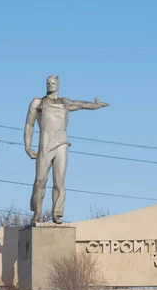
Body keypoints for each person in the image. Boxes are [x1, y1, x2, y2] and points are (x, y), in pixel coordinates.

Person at [24, 75, 109, 224]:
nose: (50, 85)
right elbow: (29, 125)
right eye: (48, 83)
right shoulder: (38, 102)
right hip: (45, 144)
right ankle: (37, 212)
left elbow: (82, 104)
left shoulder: (65, 102)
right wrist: (27, 146)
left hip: (62, 143)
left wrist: (96, 106)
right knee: (40, 180)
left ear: (58, 85)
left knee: (59, 181)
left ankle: (57, 212)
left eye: (53, 83)